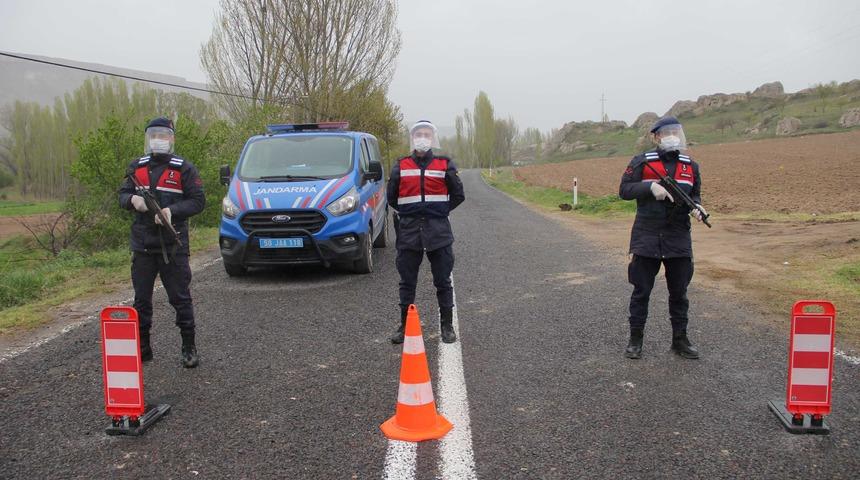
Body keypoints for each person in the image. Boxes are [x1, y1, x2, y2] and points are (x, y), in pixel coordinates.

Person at [118, 117, 205, 368]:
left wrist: (171, 212)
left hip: (173, 245)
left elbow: (198, 201)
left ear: (171, 138)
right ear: (148, 138)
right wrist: (133, 201)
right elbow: (122, 194)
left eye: (163, 135)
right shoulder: (137, 166)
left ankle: (188, 346)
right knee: (141, 301)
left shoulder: (183, 168)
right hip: (143, 245)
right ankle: (143, 347)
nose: (158, 140)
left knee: (180, 298)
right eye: (153, 135)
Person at [618, 116, 707, 360]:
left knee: (680, 293)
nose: (671, 136)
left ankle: (680, 340)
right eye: (666, 132)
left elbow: (695, 195)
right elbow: (624, 190)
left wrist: (698, 208)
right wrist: (650, 188)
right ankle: (635, 340)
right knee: (641, 291)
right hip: (647, 235)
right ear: (656, 136)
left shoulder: (691, 166)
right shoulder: (642, 162)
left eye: (675, 131)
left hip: (678, 236)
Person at [387, 120, 465, 344]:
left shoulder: (444, 164)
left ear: (432, 138)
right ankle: (404, 326)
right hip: (409, 231)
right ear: (412, 138)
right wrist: (411, 212)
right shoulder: (400, 166)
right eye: (418, 134)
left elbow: (458, 195)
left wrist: (439, 211)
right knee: (407, 282)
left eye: (426, 134)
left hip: (438, 231)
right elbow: (392, 197)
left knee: (443, 281)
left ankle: (447, 326)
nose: (422, 137)